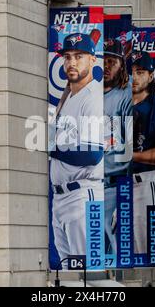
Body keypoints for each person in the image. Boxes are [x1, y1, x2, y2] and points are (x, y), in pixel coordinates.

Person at [49, 32, 104, 264]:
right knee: (68, 274)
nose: (71, 62)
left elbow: (93, 154)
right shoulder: (71, 94)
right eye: (67, 56)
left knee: (87, 273)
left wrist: (53, 149)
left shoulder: (93, 98)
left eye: (79, 56)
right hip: (61, 198)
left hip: (83, 195)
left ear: (93, 59)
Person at [103, 38, 132, 255]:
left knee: (114, 252)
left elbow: (131, 146)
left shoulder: (125, 95)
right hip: (85, 185)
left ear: (121, 64)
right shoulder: (86, 92)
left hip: (114, 185)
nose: (106, 66)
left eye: (112, 61)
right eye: (103, 60)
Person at [131, 51, 155, 254]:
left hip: (144, 182)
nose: (135, 77)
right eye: (131, 72)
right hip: (114, 184)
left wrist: (130, 155)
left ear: (151, 76)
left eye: (140, 72)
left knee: (145, 251)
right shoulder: (116, 103)